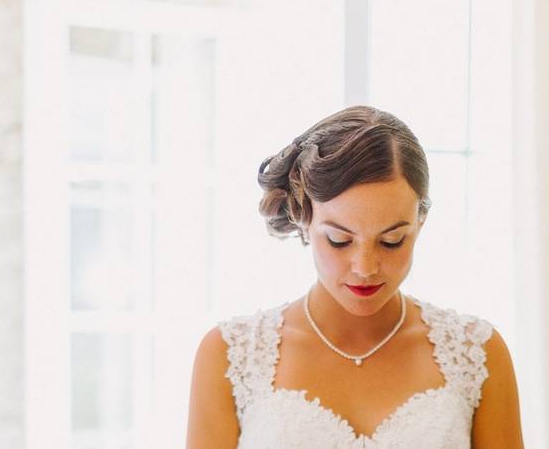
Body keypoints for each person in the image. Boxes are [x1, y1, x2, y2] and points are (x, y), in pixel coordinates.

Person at [186, 105, 524, 448]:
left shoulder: (477, 353)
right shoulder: (230, 355)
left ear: (420, 222)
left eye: (392, 241)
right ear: (304, 220)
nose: (365, 267)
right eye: (339, 240)